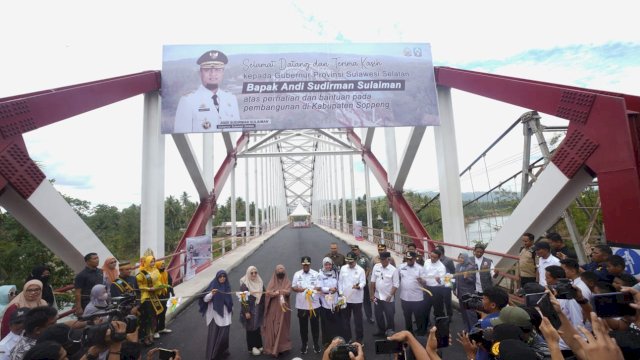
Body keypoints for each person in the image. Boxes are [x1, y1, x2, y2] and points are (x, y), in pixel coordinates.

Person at [173, 50, 240, 133]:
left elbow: (237, 130)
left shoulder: (231, 99)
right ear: (200, 73)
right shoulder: (188, 101)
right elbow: (181, 135)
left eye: (217, 70)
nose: (213, 74)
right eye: (207, 70)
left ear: (223, 73)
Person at [544, 265, 583, 357]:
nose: (545, 280)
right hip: (559, 344)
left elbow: (578, 323)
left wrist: (578, 344)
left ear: (557, 279)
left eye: (547, 278)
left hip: (568, 346)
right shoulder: (553, 295)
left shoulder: (570, 299)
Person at [200, 270, 232, 360]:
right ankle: (212, 356)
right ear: (217, 278)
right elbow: (205, 299)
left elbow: (229, 301)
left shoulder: (227, 286)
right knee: (214, 337)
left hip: (226, 316)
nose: (222, 278)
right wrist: (211, 294)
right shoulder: (213, 285)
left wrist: (230, 310)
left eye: (224, 276)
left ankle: (222, 353)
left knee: (224, 336)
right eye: (220, 277)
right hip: (215, 316)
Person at [292, 256, 321, 354]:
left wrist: (313, 290)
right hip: (302, 305)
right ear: (301, 264)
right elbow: (293, 287)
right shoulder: (297, 274)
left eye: (307, 264)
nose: (306, 266)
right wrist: (298, 289)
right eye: (304, 264)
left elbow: (319, 287)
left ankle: (316, 344)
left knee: (315, 326)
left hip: (314, 305)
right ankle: (304, 344)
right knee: (303, 327)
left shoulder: (316, 274)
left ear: (310, 264)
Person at [261, 264, 292, 357]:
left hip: (283, 310)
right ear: (276, 271)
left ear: (284, 271)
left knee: (282, 328)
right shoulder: (272, 281)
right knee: (273, 328)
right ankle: (272, 348)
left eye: (282, 269)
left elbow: (288, 291)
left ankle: (282, 347)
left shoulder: (287, 281)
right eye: (278, 269)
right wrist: (273, 293)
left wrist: (280, 291)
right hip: (273, 310)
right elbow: (268, 293)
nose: (280, 271)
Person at [474, 286, 509, 360]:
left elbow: (472, 340)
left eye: (484, 299)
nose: (482, 301)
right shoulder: (509, 317)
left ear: (493, 305)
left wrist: (482, 319)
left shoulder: (485, 323)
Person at [396, 251, 427, 335]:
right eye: (407, 259)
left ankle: (421, 334)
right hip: (404, 297)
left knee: (419, 317)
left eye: (410, 259)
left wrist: (421, 280)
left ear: (414, 259)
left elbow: (425, 282)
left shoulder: (420, 268)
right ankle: (409, 334)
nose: (409, 261)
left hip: (417, 298)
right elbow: (396, 277)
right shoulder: (401, 267)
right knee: (407, 317)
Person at [339, 252, 366, 344]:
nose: (349, 263)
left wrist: (359, 286)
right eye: (348, 261)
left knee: (358, 321)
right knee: (345, 320)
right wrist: (341, 293)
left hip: (357, 300)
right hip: (345, 299)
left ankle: (359, 340)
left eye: (351, 262)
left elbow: (363, 282)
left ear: (356, 260)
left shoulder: (361, 270)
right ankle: (347, 339)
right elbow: (340, 282)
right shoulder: (343, 268)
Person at [370, 251, 399, 336]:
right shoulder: (376, 266)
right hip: (377, 296)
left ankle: (391, 332)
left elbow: (396, 284)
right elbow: (372, 281)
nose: (381, 262)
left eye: (383, 260)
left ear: (388, 259)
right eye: (380, 260)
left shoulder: (393, 270)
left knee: (389, 315)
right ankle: (381, 330)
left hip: (388, 298)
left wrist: (390, 295)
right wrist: (372, 294)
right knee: (378, 314)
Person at [136, 256, 162, 346]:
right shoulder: (142, 273)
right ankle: (147, 335)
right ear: (146, 262)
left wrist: (159, 287)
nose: (153, 263)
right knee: (148, 317)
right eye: (151, 262)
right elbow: (138, 286)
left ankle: (152, 333)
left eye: (154, 261)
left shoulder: (155, 270)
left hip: (155, 295)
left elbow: (158, 281)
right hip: (146, 297)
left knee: (154, 316)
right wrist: (148, 288)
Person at [318, 258, 344, 347]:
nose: (328, 266)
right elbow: (320, 287)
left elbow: (339, 283)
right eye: (326, 264)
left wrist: (340, 294)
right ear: (323, 265)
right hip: (325, 302)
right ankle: (327, 341)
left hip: (335, 301)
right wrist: (329, 289)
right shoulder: (320, 274)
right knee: (326, 323)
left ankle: (337, 339)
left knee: (337, 321)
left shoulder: (335, 272)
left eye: (329, 264)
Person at [239, 266, 265, 356]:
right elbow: (243, 299)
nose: (254, 274)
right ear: (248, 273)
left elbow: (264, 294)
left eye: (255, 272)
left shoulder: (259, 281)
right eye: (252, 273)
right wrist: (246, 311)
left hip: (257, 309)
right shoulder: (245, 284)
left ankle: (259, 345)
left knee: (257, 327)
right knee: (250, 328)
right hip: (249, 310)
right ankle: (252, 347)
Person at [421, 249, 447, 334]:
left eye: (434, 257)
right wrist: (423, 280)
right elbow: (424, 273)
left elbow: (443, 281)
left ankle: (440, 331)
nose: (432, 258)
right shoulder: (427, 262)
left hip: (437, 290)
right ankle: (423, 329)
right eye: (431, 256)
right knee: (424, 309)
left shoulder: (441, 267)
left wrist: (439, 280)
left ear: (439, 258)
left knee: (438, 311)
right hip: (427, 288)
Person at [350, 245, 374, 324]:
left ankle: (369, 316)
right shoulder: (350, 259)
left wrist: (363, 278)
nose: (354, 251)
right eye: (353, 250)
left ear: (359, 250)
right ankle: (357, 317)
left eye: (355, 250)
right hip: (353, 284)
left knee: (366, 301)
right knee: (354, 301)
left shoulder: (364, 259)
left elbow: (368, 269)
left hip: (363, 283)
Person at [454, 253, 478, 331]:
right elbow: (456, 278)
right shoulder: (458, 266)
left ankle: (474, 331)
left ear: (466, 258)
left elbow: (473, 281)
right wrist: (454, 288)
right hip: (460, 293)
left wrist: (467, 277)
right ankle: (467, 329)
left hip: (468, 294)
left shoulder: (471, 267)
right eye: (459, 257)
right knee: (463, 312)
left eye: (462, 258)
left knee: (470, 313)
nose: (460, 259)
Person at [434, 245, 454, 322]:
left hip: (447, 281)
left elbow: (452, 272)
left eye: (436, 251)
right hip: (437, 283)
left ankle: (449, 315)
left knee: (447, 301)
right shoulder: (435, 260)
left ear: (441, 252)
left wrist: (452, 284)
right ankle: (440, 315)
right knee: (438, 300)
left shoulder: (448, 260)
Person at [155, 260, 174, 338]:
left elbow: (170, 283)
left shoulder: (166, 273)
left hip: (165, 294)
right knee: (157, 313)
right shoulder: (155, 275)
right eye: (161, 265)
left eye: (163, 265)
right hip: (158, 295)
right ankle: (155, 331)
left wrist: (172, 293)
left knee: (163, 311)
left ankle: (162, 328)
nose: (163, 267)